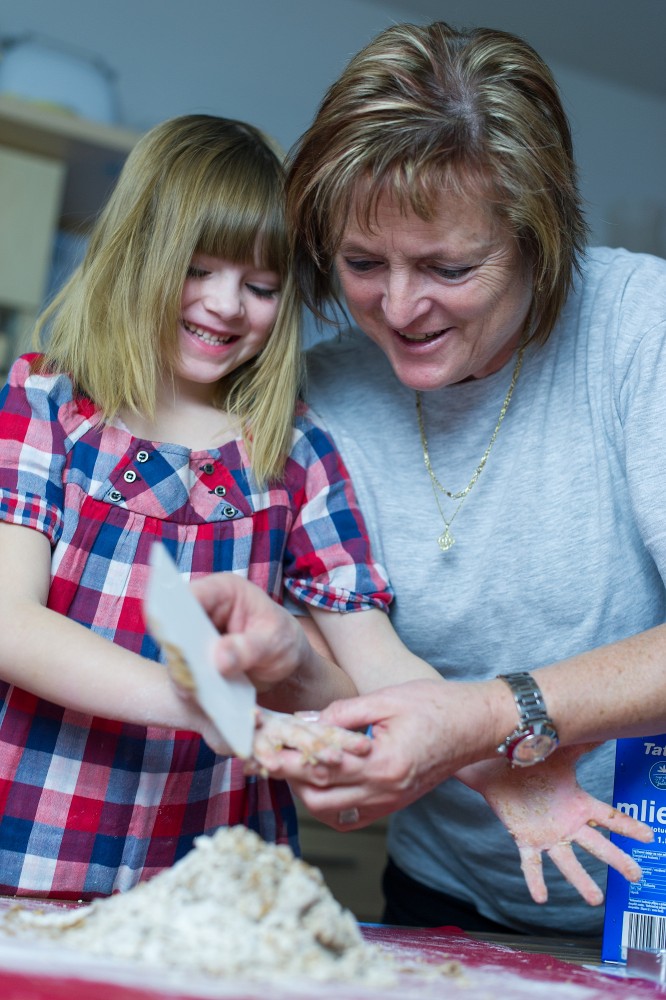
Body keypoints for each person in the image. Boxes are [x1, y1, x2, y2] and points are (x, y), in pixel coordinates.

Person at [200, 21, 666, 938]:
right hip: (445, 887)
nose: (401, 308)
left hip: (650, 884)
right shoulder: (321, 397)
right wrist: (301, 679)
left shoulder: (641, 331)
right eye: (364, 265)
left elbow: (459, 713)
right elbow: (365, 669)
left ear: (539, 240)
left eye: (450, 268)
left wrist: (496, 713)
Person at [0, 113, 419, 900]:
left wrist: (493, 750)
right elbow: (8, 623)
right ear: (139, 253)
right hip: (25, 855)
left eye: (261, 286)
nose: (228, 306)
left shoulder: (297, 456)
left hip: (215, 885)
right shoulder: (45, 403)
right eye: (199, 269)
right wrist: (205, 704)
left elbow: (378, 679)